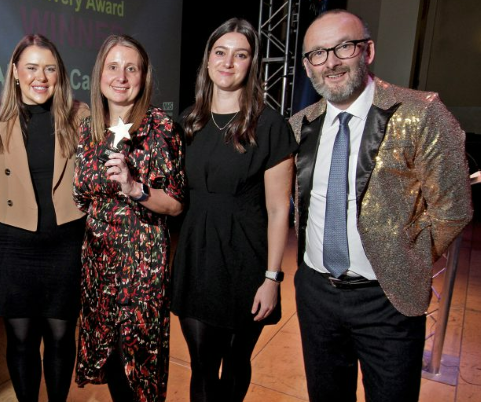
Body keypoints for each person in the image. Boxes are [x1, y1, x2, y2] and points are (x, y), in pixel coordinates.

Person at [289, 9, 472, 402]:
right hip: (316, 295)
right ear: (307, 66)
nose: (331, 62)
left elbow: (453, 207)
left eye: (344, 47)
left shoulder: (420, 113)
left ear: (367, 50)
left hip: (387, 299)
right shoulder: (300, 125)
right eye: (318, 54)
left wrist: (404, 258)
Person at [171, 18, 297, 402]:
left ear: (251, 64)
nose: (228, 62)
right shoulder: (188, 122)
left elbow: (279, 210)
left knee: (236, 360)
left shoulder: (270, 126)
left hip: (247, 263)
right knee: (202, 367)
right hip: (196, 260)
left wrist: (272, 278)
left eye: (240, 55)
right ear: (208, 62)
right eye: (220, 53)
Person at [74, 34, 185, 402]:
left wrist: (135, 188)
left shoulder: (160, 128)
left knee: (137, 367)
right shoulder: (88, 129)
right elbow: (81, 195)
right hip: (98, 264)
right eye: (113, 67)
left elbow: (176, 204)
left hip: (140, 268)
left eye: (131, 68)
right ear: (100, 74)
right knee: (110, 360)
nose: (121, 76)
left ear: (144, 76)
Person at [0, 34, 88, 402]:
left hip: (66, 247)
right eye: (31, 67)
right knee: (21, 340)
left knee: (60, 337)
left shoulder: (80, 117)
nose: (40, 77)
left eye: (49, 68)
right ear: (14, 71)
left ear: (60, 74)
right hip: (14, 248)